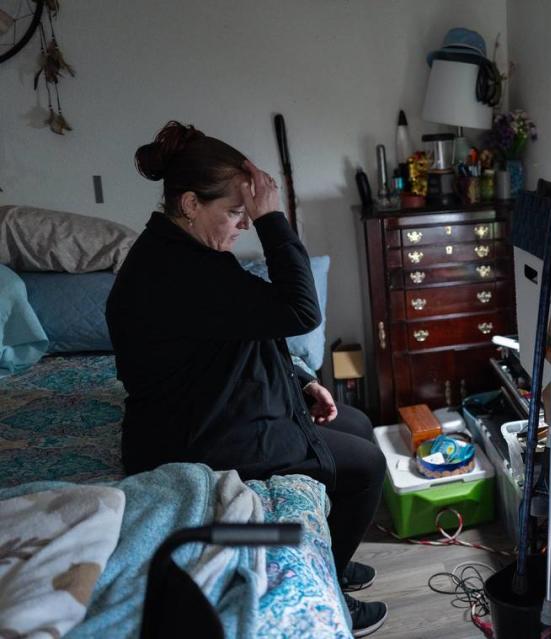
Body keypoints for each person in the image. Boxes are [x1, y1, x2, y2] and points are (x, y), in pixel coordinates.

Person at [106, 121, 388, 637]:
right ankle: (338, 598)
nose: (242, 225)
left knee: (358, 423)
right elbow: (301, 311)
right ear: (191, 204)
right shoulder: (180, 271)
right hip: (192, 433)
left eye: (247, 213)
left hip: (214, 396)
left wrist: (301, 379)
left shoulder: (186, 252)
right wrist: (274, 219)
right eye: (234, 213)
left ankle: (334, 554)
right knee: (367, 465)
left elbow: (249, 326)